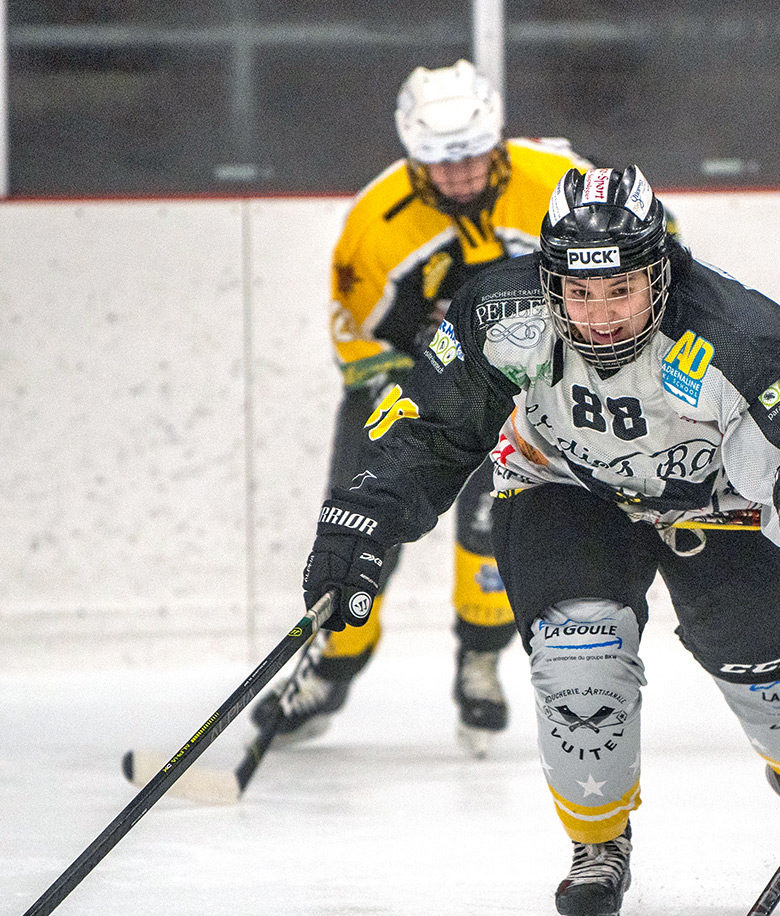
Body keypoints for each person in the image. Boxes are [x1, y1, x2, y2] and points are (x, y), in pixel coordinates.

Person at [298, 164, 780, 916]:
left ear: (659, 275)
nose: (601, 315)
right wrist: (361, 517)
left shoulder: (733, 325)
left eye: (621, 290)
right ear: (551, 281)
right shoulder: (501, 312)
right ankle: (598, 839)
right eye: (579, 292)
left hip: (719, 501)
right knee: (580, 657)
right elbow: (431, 430)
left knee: (773, 674)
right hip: (566, 487)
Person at [251, 60, 590, 756]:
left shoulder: (561, 183)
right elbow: (357, 332)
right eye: (441, 161)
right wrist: (402, 393)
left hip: (531, 381)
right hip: (415, 379)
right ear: (413, 156)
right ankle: (331, 662)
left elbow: (647, 254)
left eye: (472, 156)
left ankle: (481, 659)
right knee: (360, 511)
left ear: (496, 141)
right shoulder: (376, 222)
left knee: (495, 522)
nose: (459, 175)